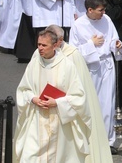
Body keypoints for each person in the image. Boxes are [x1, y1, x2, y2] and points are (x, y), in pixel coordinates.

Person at [41, 25, 114, 162]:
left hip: (65, 108)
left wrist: (60, 102)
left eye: (51, 40)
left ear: (60, 40)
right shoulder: (42, 52)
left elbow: (78, 88)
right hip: (45, 105)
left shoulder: (72, 55)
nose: (44, 45)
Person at [14, 30, 90, 162]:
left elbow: (79, 97)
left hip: (59, 123)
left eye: (44, 45)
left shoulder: (67, 66)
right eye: (38, 44)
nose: (40, 48)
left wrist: (58, 103)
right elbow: (23, 89)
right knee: (29, 157)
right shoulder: (34, 63)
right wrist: (33, 98)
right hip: (36, 121)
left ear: (55, 45)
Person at [70, 0, 122, 155]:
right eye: (100, 10)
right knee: (89, 103)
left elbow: (114, 39)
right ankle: (88, 139)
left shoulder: (106, 20)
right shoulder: (78, 25)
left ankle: (108, 141)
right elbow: (72, 52)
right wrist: (90, 45)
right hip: (89, 67)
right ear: (90, 10)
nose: (103, 13)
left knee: (107, 103)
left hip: (106, 65)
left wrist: (117, 45)